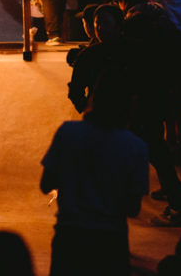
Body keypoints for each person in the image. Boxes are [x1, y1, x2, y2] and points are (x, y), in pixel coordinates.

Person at [41, 70, 149, 276]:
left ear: (94, 97)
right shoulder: (136, 147)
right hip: (111, 239)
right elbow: (132, 208)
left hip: (69, 235)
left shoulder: (67, 133)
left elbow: (46, 183)